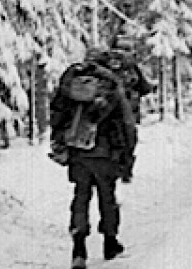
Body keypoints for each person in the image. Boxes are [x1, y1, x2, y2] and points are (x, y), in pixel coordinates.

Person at [50, 55, 137, 269]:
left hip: (78, 153)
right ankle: (110, 242)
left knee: (81, 196)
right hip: (106, 154)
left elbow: (57, 117)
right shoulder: (111, 88)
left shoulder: (71, 86)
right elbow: (127, 125)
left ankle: (78, 247)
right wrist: (128, 157)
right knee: (107, 197)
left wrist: (60, 145)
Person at [90, 37, 154, 181]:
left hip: (105, 109)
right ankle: (125, 169)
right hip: (126, 111)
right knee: (129, 137)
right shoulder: (131, 66)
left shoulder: (104, 64)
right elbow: (144, 87)